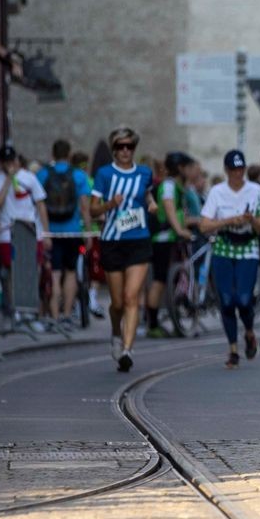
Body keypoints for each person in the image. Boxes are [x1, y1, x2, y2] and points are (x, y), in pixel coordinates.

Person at [90, 126, 157, 372]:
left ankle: (127, 350)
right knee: (117, 302)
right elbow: (93, 210)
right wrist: (110, 203)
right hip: (113, 241)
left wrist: (151, 204)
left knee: (131, 297)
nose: (126, 151)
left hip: (138, 239)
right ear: (114, 150)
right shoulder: (104, 174)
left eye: (130, 146)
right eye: (120, 147)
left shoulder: (144, 173)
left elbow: (146, 195)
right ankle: (116, 333)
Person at [200, 150, 260, 368]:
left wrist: (251, 220)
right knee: (227, 300)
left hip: (248, 247)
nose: (238, 174)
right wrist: (229, 221)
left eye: (241, 170)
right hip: (223, 247)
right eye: (234, 170)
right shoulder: (217, 192)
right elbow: (204, 225)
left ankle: (248, 331)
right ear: (227, 171)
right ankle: (232, 349)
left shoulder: (255, 190)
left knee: (244, 298)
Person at [0, 145, 51, 328]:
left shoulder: (29, 177)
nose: (11, 165)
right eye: (6, 162)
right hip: (7, 233)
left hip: (32, 232)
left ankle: (30, 310)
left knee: (34, 271)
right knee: (11, 273)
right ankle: (15, 309)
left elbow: (41, 205)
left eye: (13, 161)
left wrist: (46, 233)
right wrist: (9, 180)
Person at [37, 139, 93, 326]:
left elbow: (38, 204)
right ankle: (67, 314)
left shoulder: (43, 174)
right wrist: (88, 231)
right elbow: (85, 206)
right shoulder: (78, 176)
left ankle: (53, 317)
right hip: (72, 231)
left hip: (50, 232)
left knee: (54, 274)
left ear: (53, 154)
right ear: (69, 155)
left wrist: (43, 231)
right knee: (70, 273)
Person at [145, 151, 198, 338]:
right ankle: (152, 324)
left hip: (170, 239)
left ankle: (174, 321)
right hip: (163, 239)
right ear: (180, 168)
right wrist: (180, 229)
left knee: (170, 281)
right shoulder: (168, 185)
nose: (191, 171)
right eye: (188, 168)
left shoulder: (176, 186)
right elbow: (168, 208)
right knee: (159, 281)